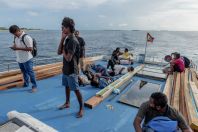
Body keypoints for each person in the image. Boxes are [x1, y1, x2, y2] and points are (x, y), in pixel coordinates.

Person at [57, 17, 83, 118]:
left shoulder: (72, 40)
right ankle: (67, 102)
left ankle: (81, 108)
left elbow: (68, 58)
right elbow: (58, 52)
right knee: (66, 86)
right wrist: (62, 39)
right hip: (66, 69)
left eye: (63, 27)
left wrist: (63, 49)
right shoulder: (67, 39)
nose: (62, 29)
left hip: (72, 70)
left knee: (76, 90)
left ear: (68, 28)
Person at [9, 25, 37, 93]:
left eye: (15, 33)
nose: (14, 34)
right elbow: (15, 45)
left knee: (30, 73)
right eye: (13, 34)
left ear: (18, 30)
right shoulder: (15, 37)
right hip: (19, 59)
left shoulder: (27, 37)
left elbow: (30, 48)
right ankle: (26, 84)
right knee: (24, 72)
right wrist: (14, 47)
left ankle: (34, 86)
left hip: (27, 59)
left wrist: (17, 48)